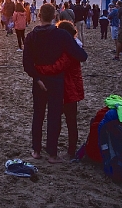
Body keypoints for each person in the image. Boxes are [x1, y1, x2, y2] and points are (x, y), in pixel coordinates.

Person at [23, 3, 88, 163]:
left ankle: (36, 151)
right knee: (53, 116)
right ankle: (52, 154)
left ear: (39, 16)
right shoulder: (62, 35)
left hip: (39, 82)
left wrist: (37, 78)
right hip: (56, 81)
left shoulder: (31, 36)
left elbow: (26, 63)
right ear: (54, 17)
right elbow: (81, 55)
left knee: (38, 115)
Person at [35, 20, 86, 162]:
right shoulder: (73, 47)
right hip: (69, 87)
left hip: (69, 89)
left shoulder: (70, 50)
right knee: (64, 119)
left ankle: (70, 151)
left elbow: (58, 66)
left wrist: (38, 70)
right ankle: (59, 148)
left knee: (69, 120)